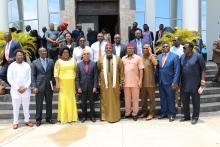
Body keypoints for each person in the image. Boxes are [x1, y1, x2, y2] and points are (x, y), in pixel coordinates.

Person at [98, 43, 124, 123]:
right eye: (107, 48)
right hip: (104, 84)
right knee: (104, 99)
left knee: (115, 99)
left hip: (115, 84)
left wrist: (121, 82)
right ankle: (104, 116)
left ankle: (115, 116)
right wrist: (99, 81)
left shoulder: (118, 58)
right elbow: (99, 71)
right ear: (105, 49)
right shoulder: (100, 59)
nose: (108, 49)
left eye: (110, 48)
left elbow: (121, 71)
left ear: (112, 49)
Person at [180, 43, 206, 125]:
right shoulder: (182, 57)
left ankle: (195, 117)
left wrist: (202, 81)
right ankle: (186, 116)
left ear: (191, 48)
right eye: (183, 48)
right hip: (184, 83)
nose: (183, 49)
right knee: (185, 101)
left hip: (195, 83)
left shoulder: (198, 56)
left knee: (195, 102)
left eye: (185, 47)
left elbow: (203, 69)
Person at [7, 49, 33, 129]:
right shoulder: (11, 66)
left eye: (21, 55)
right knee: (15, 107)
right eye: (18, 55)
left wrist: (25, 87)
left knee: (26, 106)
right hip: (15, 90)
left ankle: (27, 120)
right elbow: (9, 79)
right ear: (15, 56)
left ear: (23, 56)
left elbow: (30, 78)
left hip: (26, 90)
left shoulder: (27, 65)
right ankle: (15, 122)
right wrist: (18, 88)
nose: (20, 56)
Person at [31, 47, 55, 126]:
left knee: (49, 103)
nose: (44, 52)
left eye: (45, 51)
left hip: (49, 85)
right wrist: (34, 86)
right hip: (39, 86)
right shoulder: (34, 62)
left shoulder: (51, 61)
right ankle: (38, 119)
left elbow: (53, 74)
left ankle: (49, 118)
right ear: (39, 53)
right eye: (41, 51)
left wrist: (53, 84)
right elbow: (33, 75)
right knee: (39, 103)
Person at [156, 42, 180, 122]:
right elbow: (158, 69)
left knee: (170, 99)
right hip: (161, 81)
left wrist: (175, 82)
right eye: (164, 46)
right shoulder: (159, 56)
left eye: (167, 46)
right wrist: (157, 80)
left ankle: (172, 114)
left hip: (170, 82)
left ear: (169, 47)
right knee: (162, 99)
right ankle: (164, 113)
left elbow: (177, 70)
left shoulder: (175, 56)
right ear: (162, 48)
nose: (165, 47)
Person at [54, 47, 78, 123]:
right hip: (63, 84)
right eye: (64, 52)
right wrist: (57, 84)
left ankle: (72, 117)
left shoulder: (73, 60)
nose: (66, 54)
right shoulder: (58, 61)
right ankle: (63, 118)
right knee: (63, 100)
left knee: (71, 100)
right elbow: (55, 74)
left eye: (67, 52)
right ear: (61, 53)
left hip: (71, 84)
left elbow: (76, 71)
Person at [122, 43, 144, 121]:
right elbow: (121, 71)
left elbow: (141, 70)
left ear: (133, 49)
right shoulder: (123, 58)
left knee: (135, 99)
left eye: (131, 48)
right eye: (128, 48)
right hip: (126, 82)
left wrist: (140, 80)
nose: (130, 50)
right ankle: (127, 113)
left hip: (135, 82)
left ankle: (135, 113)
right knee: (127, 99)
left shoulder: (138, 58)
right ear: (126, 50)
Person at [76, 49, 98, 123]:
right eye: (84, 54)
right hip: (82, 87)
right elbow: (77, 77)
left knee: (92, 103)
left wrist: (95, 86)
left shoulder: (94, 64)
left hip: (91, 87)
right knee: (83, 103)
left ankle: (92, 116)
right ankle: (84, 117)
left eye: (88, 54)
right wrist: (78, 87)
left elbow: (95, 76)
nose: (86, 55)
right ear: (82, 55)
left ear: (90, 55)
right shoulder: (78, 65)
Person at [139, 44, 157, 120]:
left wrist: (151, 53)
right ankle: (144, 112)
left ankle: (152, 113)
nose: (145, 49)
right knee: (143, 99)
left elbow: (155, 63)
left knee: (152, 99)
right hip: (142, 82)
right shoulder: (140, 57)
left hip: (150, 82)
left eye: (147, 48)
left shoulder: (152, 56)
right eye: (144, 48)